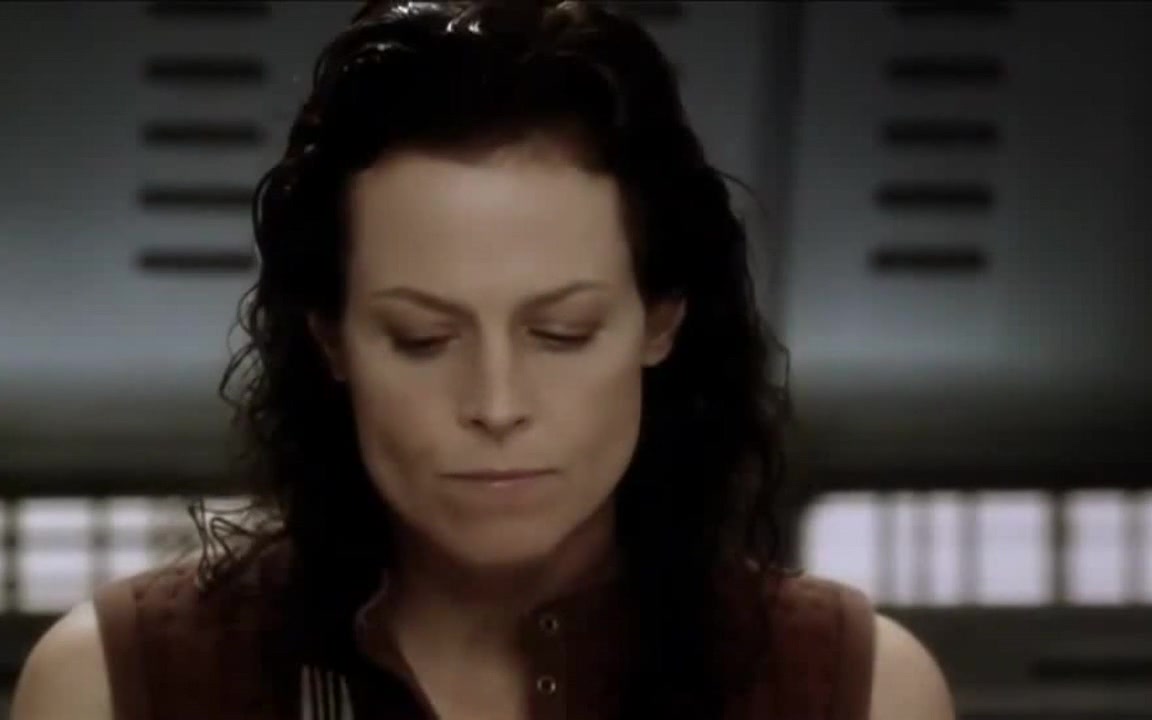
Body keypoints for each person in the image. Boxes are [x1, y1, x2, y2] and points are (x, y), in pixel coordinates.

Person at [12, 1, 953, 718]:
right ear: (331, 339)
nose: (497, 404)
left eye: (562, 333)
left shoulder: (852, 687)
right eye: (423, 340)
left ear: (660, 321)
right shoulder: (125, 684)